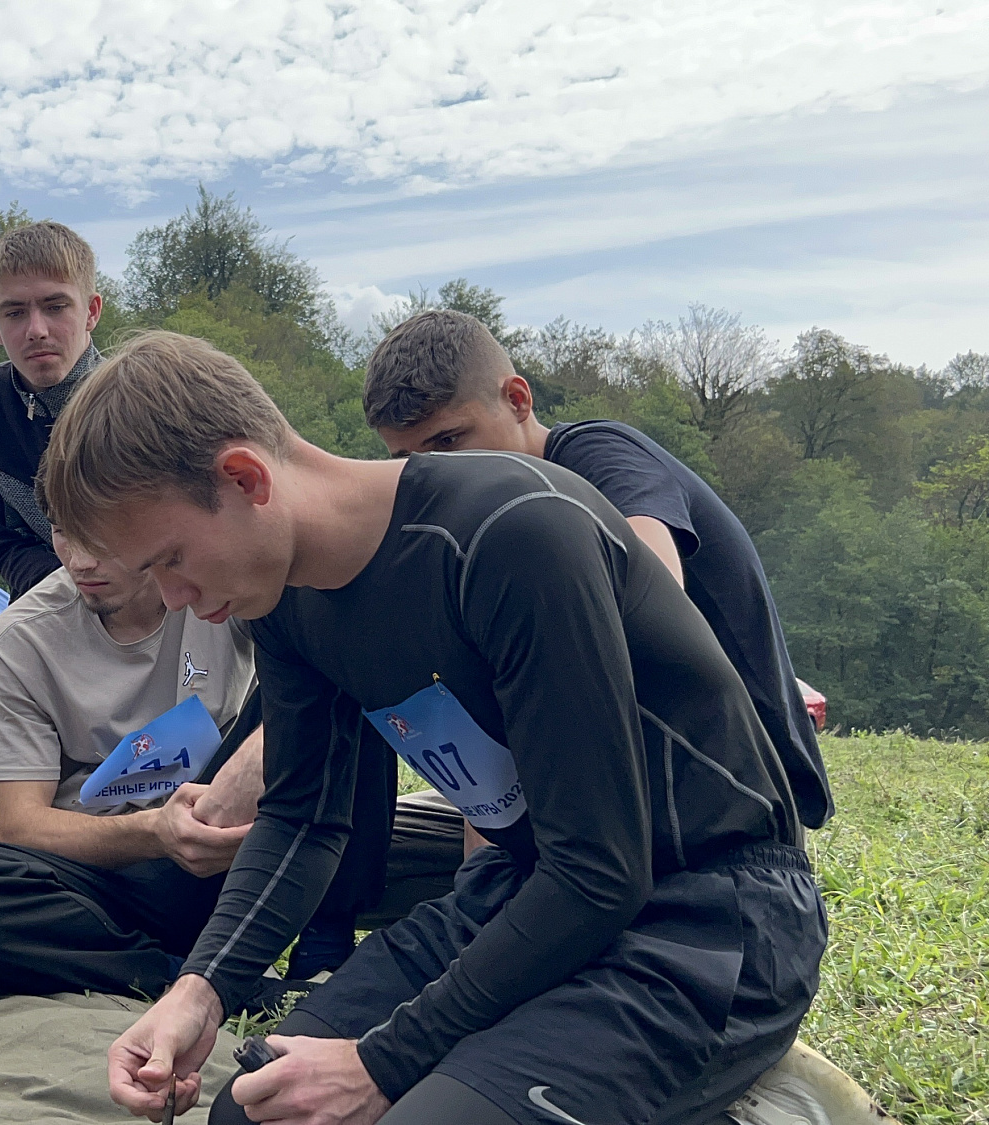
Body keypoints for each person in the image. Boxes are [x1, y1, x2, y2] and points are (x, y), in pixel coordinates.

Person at [41, 332, 825, 1125]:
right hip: (520, 891)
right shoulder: (283, 600)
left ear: (245, 478)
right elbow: (303, 814)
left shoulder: (513, 533)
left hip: (706, 914)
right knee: (254, 1114)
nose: (173, 597)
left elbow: (600, 869)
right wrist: (198, 991)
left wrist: (383, 1062)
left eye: (170, 558)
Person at [0, 529, 463, 1001]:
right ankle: (184, 979)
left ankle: (325, 951)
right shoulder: (20, 640)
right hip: (108, 880)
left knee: (350, 679)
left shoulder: (214, 583)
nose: (81, 559)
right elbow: (19, 825)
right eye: (64, 532)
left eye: (100, 533)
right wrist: (155, 831)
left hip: (239, 835)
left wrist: (269, 744)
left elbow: (347, 644)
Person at [362, 309, 833, 832]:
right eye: (410, 460)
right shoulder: (477, 522)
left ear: (517, 400)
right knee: (352, 851)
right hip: (593, 774)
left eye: (449, 441)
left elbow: (649, 602)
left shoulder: (599, 455)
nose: (435, 474)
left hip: (727, 788)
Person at [0, 221, 104, 597]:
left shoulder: (139, 402)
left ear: (91, 311)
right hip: (48, 607)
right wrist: (73, 598)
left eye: (56, 307)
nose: (36, 329)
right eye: (15, 313)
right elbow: (1, 541)